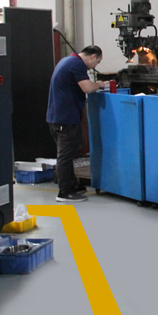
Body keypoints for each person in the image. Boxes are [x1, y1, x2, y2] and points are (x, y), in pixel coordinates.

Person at [46, 45, 107, 202]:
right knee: (65, 156)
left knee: (68, 153)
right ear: (93, 56)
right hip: (65, 119)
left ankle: (72, 184)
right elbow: (87, 88)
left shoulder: (67, 60)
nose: (94, 66)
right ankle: (64, 192)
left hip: (57, 117)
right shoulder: (77, 64)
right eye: (97, 62)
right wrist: (100, 84)